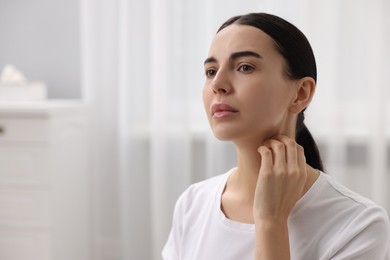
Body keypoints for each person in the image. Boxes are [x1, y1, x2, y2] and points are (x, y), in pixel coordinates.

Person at [162, 12, 390, 260]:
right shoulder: (193, 204)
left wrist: (271, 222)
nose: (218, 84)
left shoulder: (359, 225)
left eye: (245, 67)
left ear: (300, 94)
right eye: (210, 71)